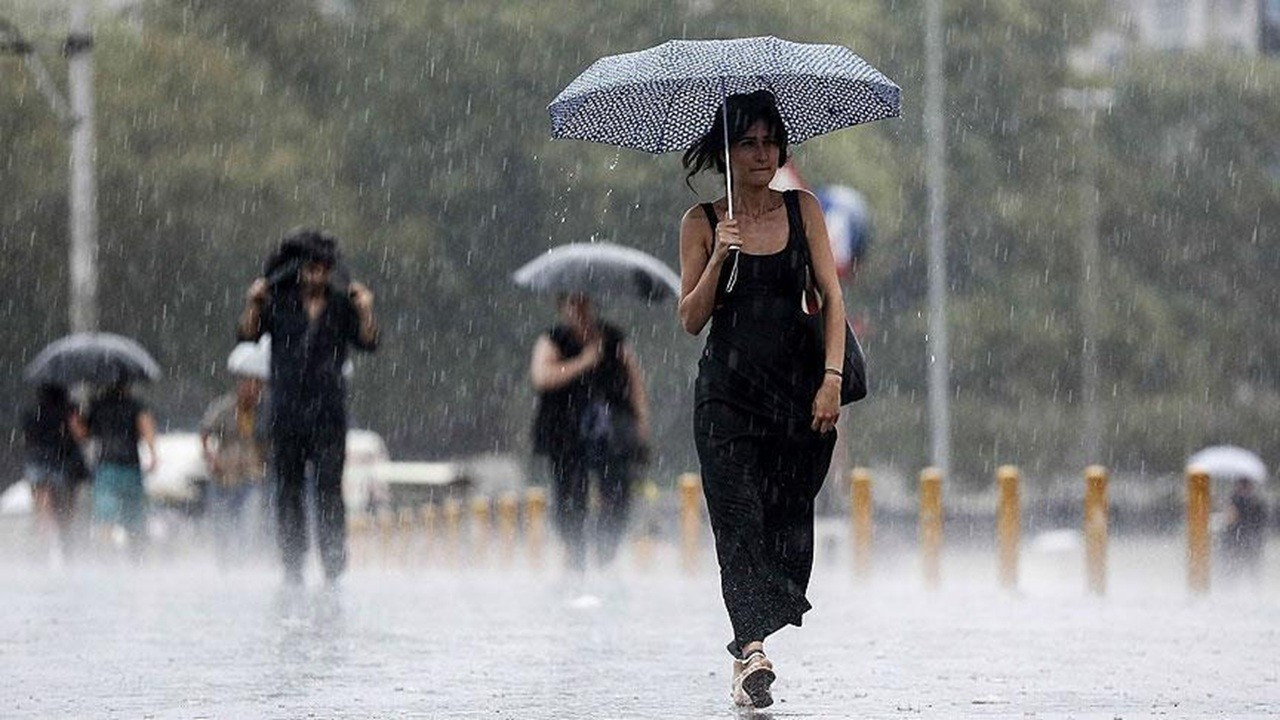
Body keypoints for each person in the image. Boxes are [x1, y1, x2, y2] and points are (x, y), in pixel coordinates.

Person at [676, 90, 845, 709]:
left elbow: (831, 296)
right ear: (725, 150)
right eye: (747, 142)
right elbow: (690, 317)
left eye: (770, 141)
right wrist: (721, 252)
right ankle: (751, 652)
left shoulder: (803, 210)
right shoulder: (701, 222)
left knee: (785, 519)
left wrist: (830, 378)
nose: (761, 153)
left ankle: (756, 624)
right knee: (737, 519)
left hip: (793, 397)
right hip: (724, 398)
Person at [238, 229, 378, 586]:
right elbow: (246, 335)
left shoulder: (343, 304)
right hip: (286, 411)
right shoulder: (276, 301)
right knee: (288, 490)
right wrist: (254, 303)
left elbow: (369, 342)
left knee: (330, 488)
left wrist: (365, 311)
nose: (317, 275)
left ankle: (333, 563)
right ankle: (292, 563)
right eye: (310, 268)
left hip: (329, 412)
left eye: (323, 269)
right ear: (299, 269)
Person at [530, 293, 651, 572]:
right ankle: (575, 556)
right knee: (569, 495)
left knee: (617, 493)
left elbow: (635, 382)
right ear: (562, 308)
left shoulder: (613, 338)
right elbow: (542, 377)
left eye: (585, 303)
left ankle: (606, 555)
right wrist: (583, 362)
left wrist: (641, 424)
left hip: (611, 433)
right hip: (566, 433)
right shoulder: (552, 340)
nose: (580, 310)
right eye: (573, 304)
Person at [200, 365, 268, 567]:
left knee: (249, 524)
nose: (252, 390)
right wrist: (210, 457)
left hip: (251, 476)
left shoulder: (264, 411)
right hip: (224, 476)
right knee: (222, 526)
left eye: (256, 385)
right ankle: (225, 565)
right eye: (248, 384)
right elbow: (205, 431)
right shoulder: (224, 408)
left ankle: (243, 564)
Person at [85, 380, 158, 556]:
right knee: (134, 519)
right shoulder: (135, 404)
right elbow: (146, 426)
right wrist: (153, 453)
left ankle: (106, 559)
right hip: (130, 467)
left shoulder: (97, 405)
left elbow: (84, 433)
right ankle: (137, 559)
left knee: (105, 519)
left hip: (106, 468)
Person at [20, 383, 89, 563]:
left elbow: (26, 438)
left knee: (43, 511)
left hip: (36, 463)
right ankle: (66, 550)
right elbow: (80, 435)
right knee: (65, 512)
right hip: (63, 463)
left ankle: (41, 551)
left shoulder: (31, 412)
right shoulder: (69, 411)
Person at [1221, 477, 1268, 580]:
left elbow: (1262, 522)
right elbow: (1228, 521)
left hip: (1249, 542)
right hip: (1237, 543)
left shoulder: (1256, 503)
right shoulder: (1233, 501)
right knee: (1234, 573)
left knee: (1252, 572)